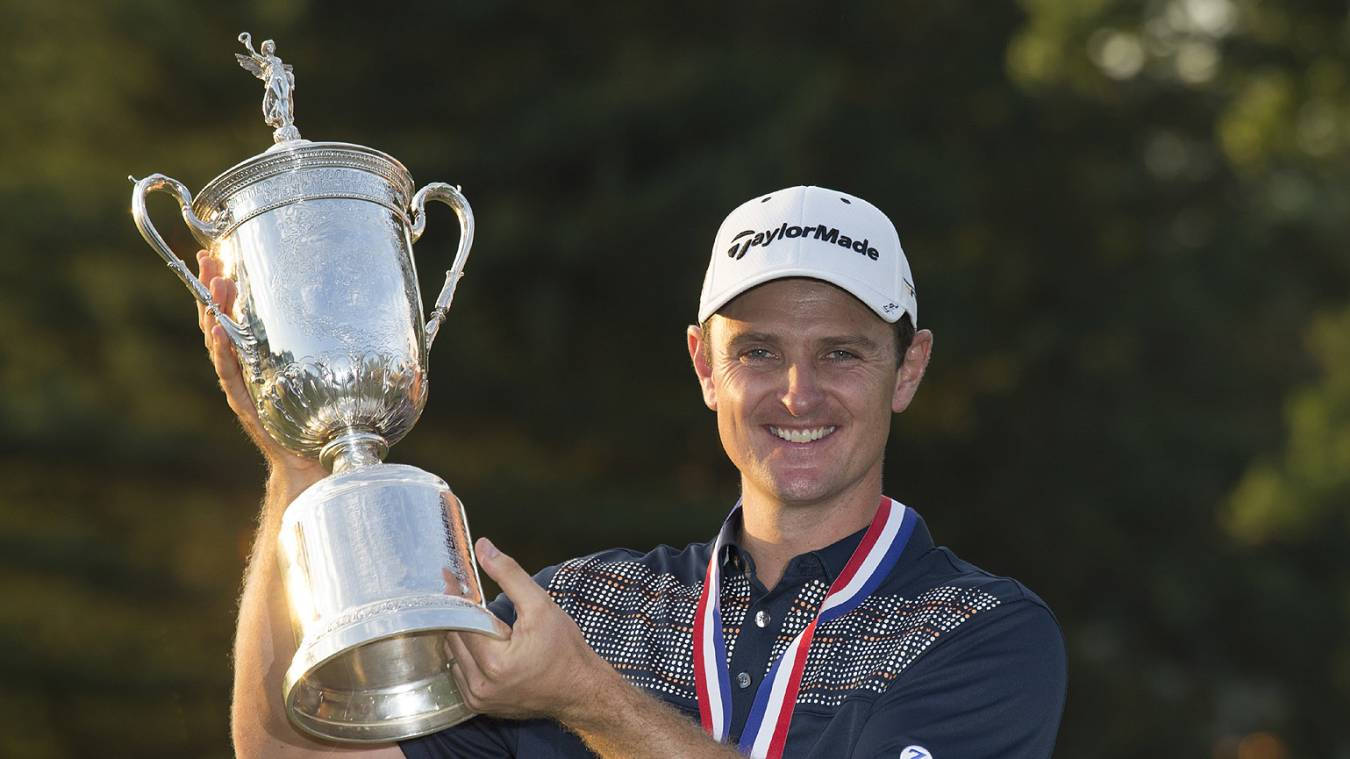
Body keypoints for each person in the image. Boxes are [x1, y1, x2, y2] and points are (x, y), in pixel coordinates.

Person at [206, 186, 1067, 759]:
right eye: (758, 351)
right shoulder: (587, 606)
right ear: (703, 365)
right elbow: (296, 752)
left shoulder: (977, 631)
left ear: (908, 368)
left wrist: (588, 698)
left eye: (841, 353)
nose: (798, 392)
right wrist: (294, 469)